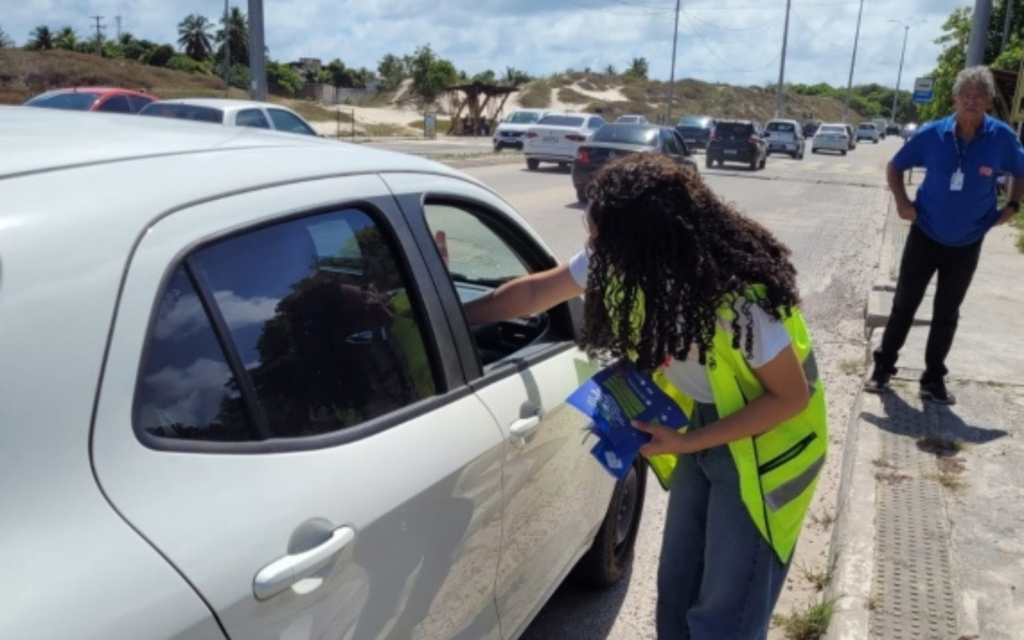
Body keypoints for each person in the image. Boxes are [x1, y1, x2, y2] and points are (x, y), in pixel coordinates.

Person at [464, 154, 827, 639]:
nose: (592, 248)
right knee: (676, 593)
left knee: (724, 614)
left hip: (768, 448)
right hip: (701, 430)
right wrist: (457, 316)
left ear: (644, 245)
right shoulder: (621, 258)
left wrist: (686, 444)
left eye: (599, 238)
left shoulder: (741, 301)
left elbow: (789, 399)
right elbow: (532, 295)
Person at [866, 66, 1024, 404]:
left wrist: (1012, 207)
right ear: (955, 99)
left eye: (979, 96)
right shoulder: (932, 134)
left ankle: (933, 379)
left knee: (947, 311)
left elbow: (1021, 171)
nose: (971, 101)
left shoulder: (1001, 138)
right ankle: (883, 369)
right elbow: (895, 167)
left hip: (968, 240)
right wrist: (902, 202)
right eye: (965, 95)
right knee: (904, 304)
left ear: (989, 102)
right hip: (925, 233)